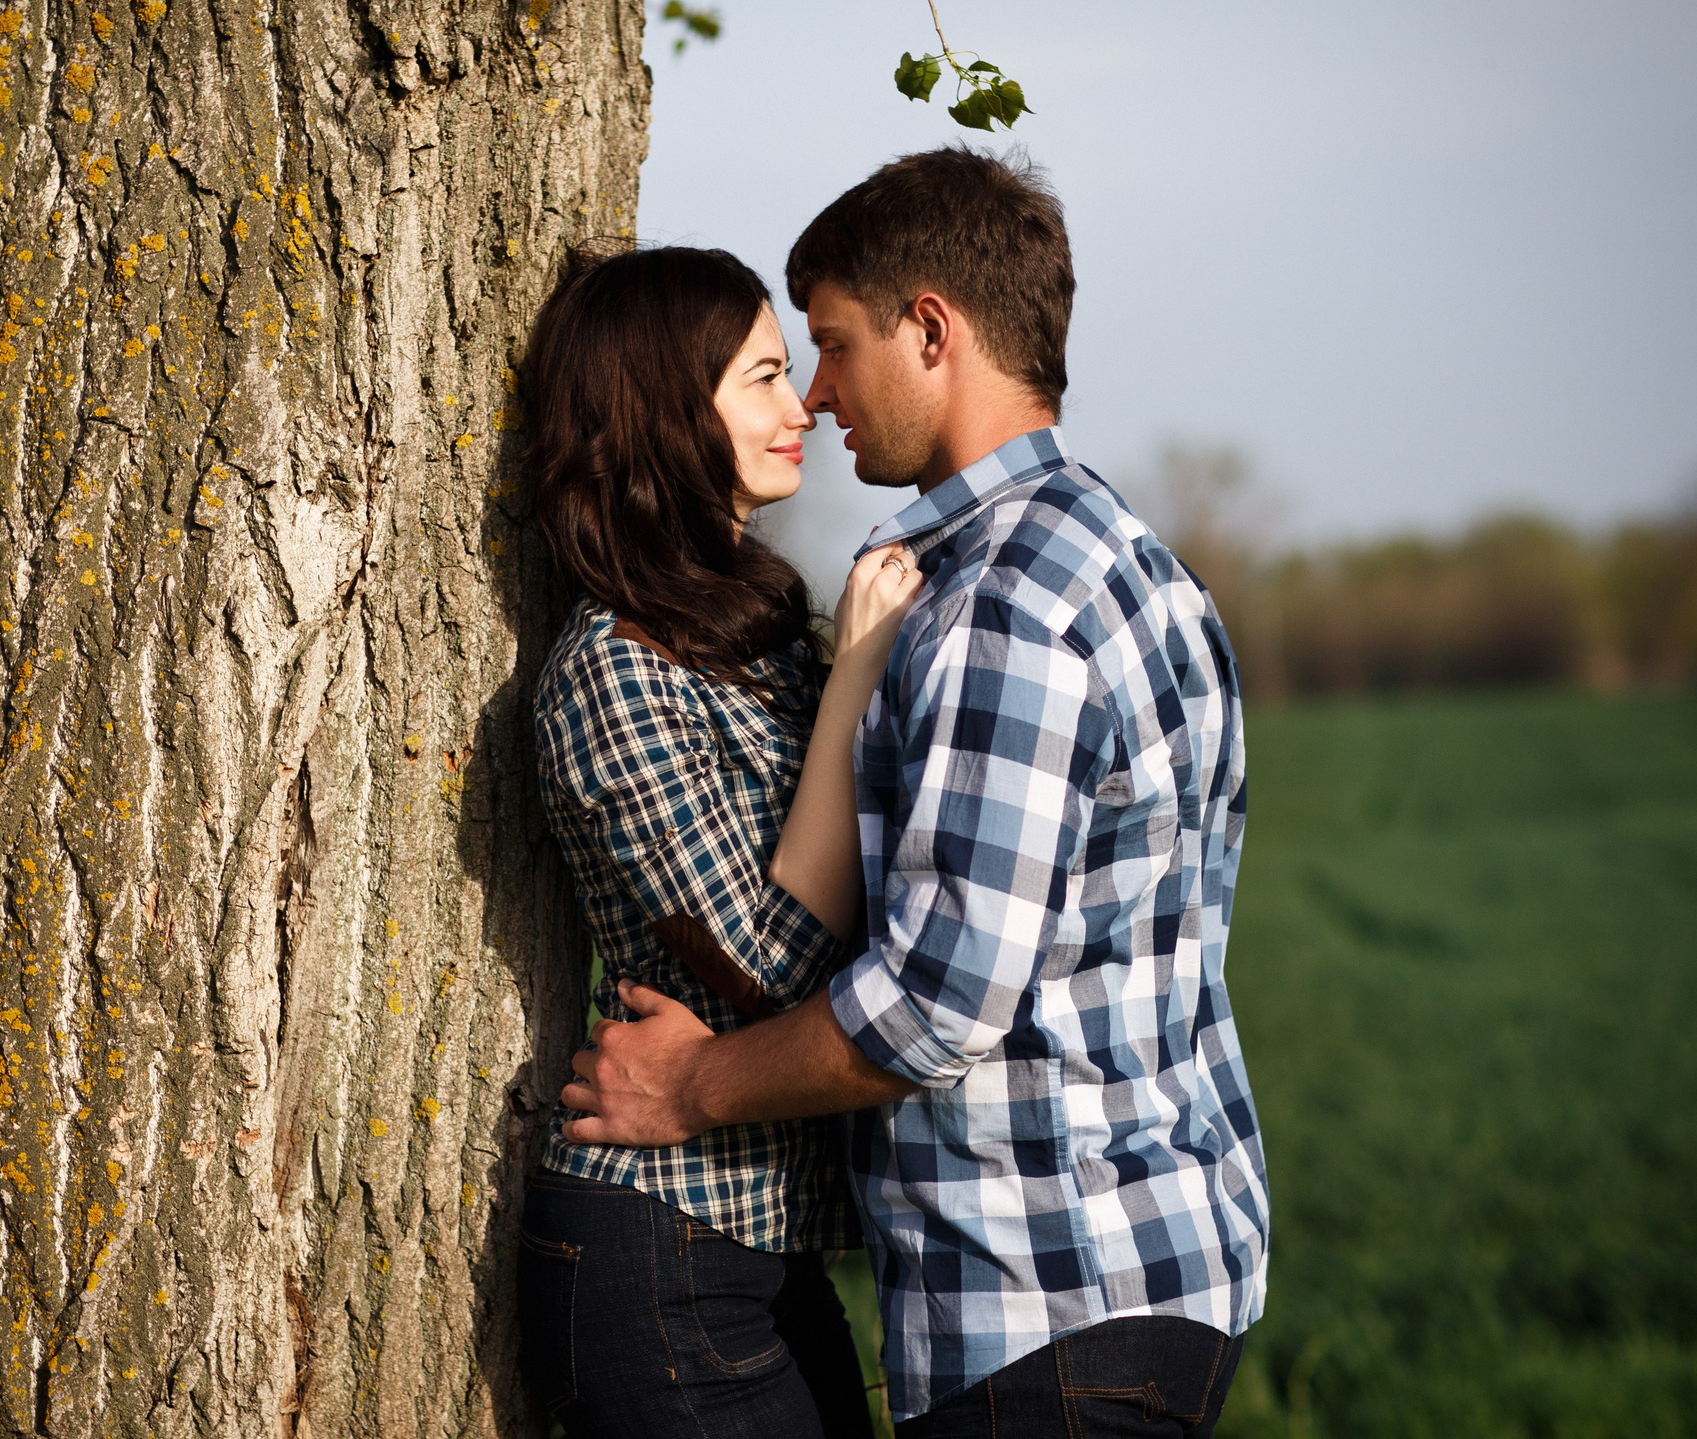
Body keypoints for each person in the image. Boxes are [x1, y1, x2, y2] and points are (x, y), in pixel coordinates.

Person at [560, 148, 1272, 1439]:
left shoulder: (1000, 603)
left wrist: (692, 1084)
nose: (822, 394)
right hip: (1147, 1266)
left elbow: (936, 1001)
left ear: (931, 329)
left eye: (828, 345)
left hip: (1044, 1291)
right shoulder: (1130, 561)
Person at [519, 244, 926, 1439]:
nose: (800, 402)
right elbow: (764, 969)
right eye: (759, 375)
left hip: (765, 1240)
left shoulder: (760, 635)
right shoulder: (613, 668)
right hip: (660, 1241)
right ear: (661, 406)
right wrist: (854, 679)